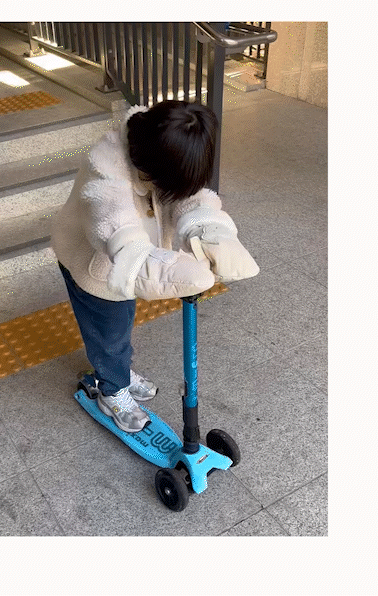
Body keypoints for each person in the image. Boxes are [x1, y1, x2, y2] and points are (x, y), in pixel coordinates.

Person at [51, 100, 259, 433]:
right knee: (108, 332)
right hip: (94, 265)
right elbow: (116, 229)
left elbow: (187, 195)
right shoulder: (106, 171)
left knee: (121, 323)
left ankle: (117, 370)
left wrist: (210, 228)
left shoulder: (158, 147)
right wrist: (163, 269)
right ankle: (112, 389)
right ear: (150, 168)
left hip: (116, 266)